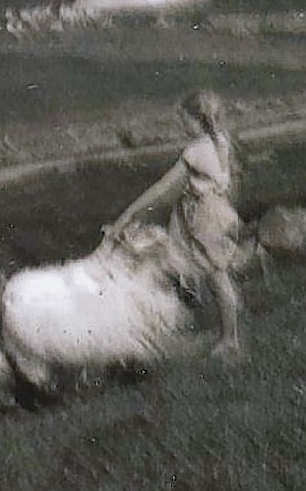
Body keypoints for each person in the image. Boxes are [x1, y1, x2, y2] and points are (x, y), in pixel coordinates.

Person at [103, 90, 244, 358]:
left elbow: (161, 188)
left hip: (204, 219)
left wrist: (127, 215)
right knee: (209, 274)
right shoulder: (221, 142)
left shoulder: (195, 151)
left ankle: (228, 340)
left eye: (185, 121)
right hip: (217, 212)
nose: (182, 127)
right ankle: (213, 329)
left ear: (197, 120)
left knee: (213, 277)